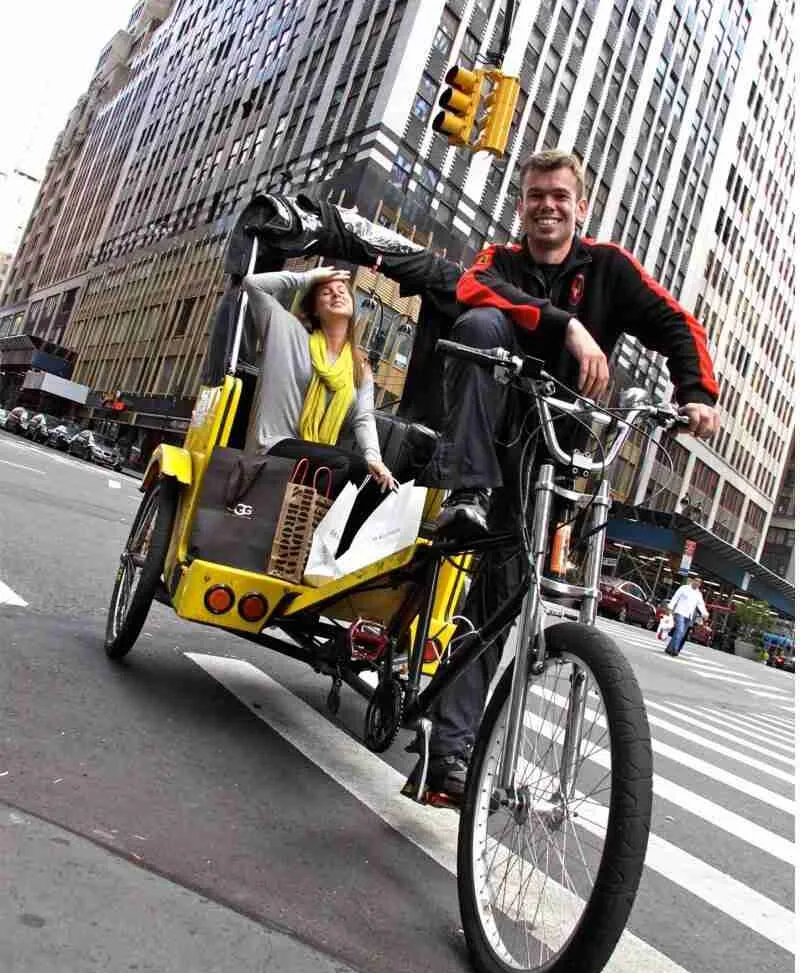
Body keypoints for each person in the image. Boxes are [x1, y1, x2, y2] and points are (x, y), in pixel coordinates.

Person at [414, 149, 721, 804]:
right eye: (535, 195)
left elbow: (674, 320)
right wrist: (568, 327)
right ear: (521, 203)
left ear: (581, 207)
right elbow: (473, 292)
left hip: (555, 457)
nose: (547, 205)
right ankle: (464, 492)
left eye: (560, 196)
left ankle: (447, 755)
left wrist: (696, 392)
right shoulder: (498, 261)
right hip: (487, 446)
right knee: (482, 323)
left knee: (497, 601)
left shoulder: (607, 267)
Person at [242, 264, 396, 490]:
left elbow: (364, 418)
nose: (336, 293)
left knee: (377, 482)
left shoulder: (359, 367)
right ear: (314, 309)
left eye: (342, 291)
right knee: (345, 465)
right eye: (326, 292)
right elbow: (253, 284)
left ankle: (322, 521)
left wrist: (375, 458)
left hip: (319, 455)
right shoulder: (287, 331)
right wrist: (307, 278)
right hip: (273, 447)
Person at [665, 576, 709, 656]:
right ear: (692, 581)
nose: (697, 583)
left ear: (700, 585)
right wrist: (670, 607)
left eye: (699, 582)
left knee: (680, 633)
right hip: (680, 613)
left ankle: (669, 648)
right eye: (696, 581)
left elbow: (701, 605)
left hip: (689, 616)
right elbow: (675, 597)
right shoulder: (684, 588)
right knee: (680, 631)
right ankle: (675, 649)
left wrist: (705, 613)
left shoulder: (698, 594)